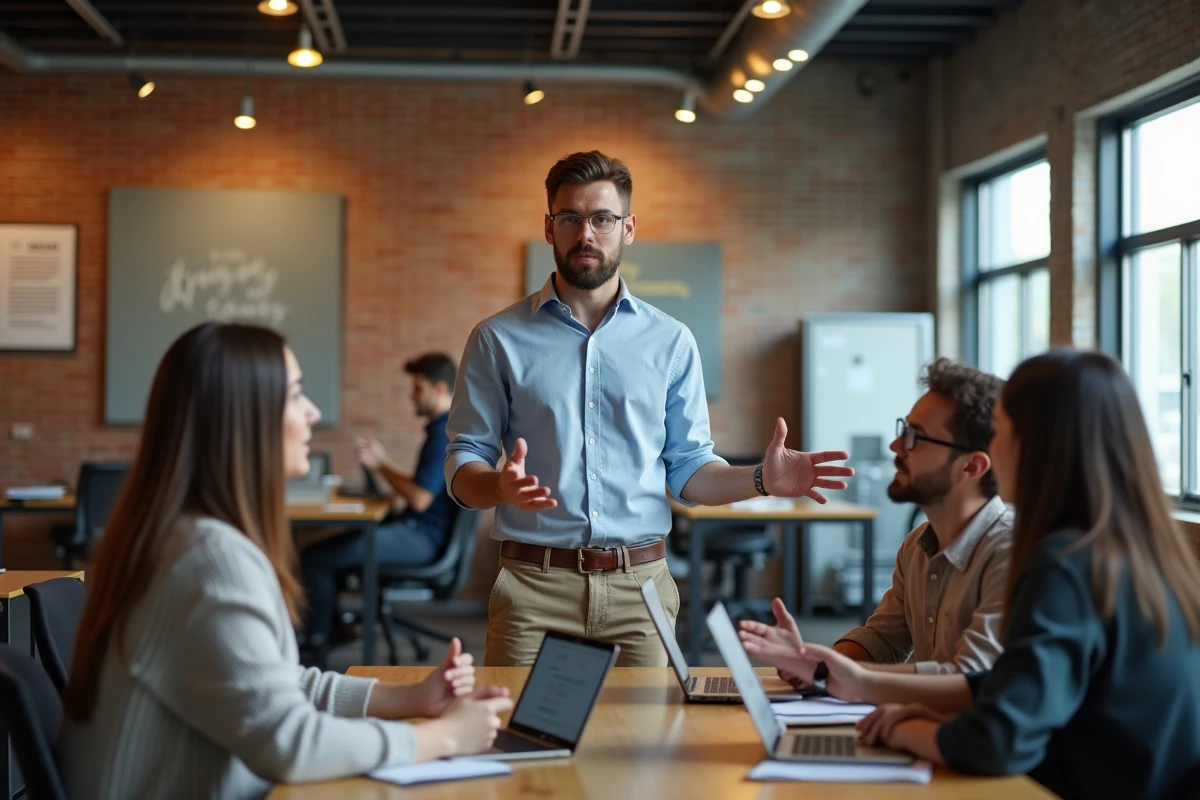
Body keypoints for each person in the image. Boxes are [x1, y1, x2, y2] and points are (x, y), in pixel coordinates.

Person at [61, 323, 512, 800]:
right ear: (245, 417)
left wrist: (410, 698)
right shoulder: (211, 561)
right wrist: (442, 739)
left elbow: (275, 683)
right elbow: (290, 742)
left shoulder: (181, 536)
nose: (313, 412)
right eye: (297, 395)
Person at [445, 150, 853, 667]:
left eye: (602, 219)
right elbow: (464, 460)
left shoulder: (671, 341)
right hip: (533, 589)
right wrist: (497, 486)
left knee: (646, 747)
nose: (586, 233)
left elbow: (689, 471)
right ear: (549, 228)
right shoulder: (497, 338)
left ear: (628, 228)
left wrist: (760, 482)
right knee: (523, 744)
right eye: (570, 218)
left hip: (641, 592)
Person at [740, 351, 1200, 800]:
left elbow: (999, 736)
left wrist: (907, 727)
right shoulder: (1126, 550)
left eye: (1004, 431)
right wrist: (839, 674)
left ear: (1035, 447)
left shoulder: (1062, 562)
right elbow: (1008, 685)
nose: (996, 448)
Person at [774, 358, 1011, 683]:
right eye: (904, 429)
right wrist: (818, 664)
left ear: (971, 467)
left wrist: (839, 674)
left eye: (917, 437)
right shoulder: (917, 545)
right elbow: (883, 640)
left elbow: (969, 679)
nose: (896, 446)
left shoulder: (1010, 554)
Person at [300, 353, 456, 657]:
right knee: (325, 554)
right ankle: (334, 629)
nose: (412, 397)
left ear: (439, 389)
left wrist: (381, 464)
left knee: (315, 558)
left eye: (418, 389)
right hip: (416, 530)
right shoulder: (442, 429)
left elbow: (420, 499)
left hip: (422, 539)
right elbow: (421, 490)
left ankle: (316, 643)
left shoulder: (444, 433)